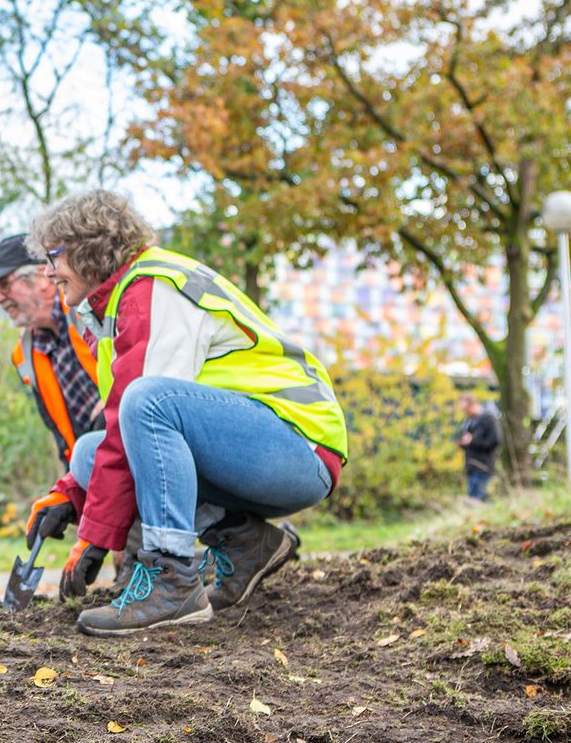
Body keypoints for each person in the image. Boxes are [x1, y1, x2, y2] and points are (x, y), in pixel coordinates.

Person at [22, 190, 349, 635]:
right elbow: (124, 436)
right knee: (87, 454)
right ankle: (247, 543)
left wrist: (95, 535)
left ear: (88, 249)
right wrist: (73, 491)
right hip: (255, 448)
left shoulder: (154, 288)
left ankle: (171, 578)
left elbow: (142, 411)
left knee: (147, 401)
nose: (48, 270)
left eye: (54, 255)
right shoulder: (118, 306)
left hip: (298, 447)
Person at [0, 234, 102, 469]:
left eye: (5, 285)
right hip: (93, 466)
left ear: (43, 276)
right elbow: (62, 438)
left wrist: (113, 402)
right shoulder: (24, 355)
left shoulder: (90, 309)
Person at [456, 393, 500, 502]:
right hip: (471, 466)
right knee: (477, 500)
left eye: (466, 409)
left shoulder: (488, 419)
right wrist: (463, 443)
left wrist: (473, 441)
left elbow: (495, 441)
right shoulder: (469, 421)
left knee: (475, 501)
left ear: (473, 404)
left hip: (483, 466)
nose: (465, 412)